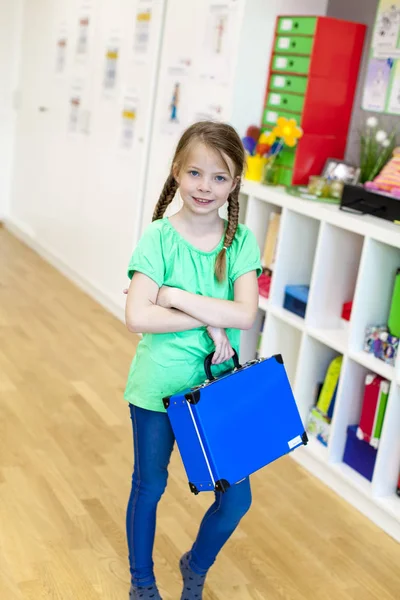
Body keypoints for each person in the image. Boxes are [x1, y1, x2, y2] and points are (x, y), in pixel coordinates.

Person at [124, 120, 262, 600]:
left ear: (235, 182)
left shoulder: (240, 242)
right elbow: (137, 316)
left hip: (216, 390)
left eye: (220, 177)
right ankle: (142, 584)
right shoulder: (158, 238)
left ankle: (195, 565)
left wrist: (175, 296)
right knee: (150, 487)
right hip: (158, 387)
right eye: (196, 173)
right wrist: (206, 319)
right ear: (177, 172)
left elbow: (245, 313)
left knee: (235, 499)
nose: (206, 187)